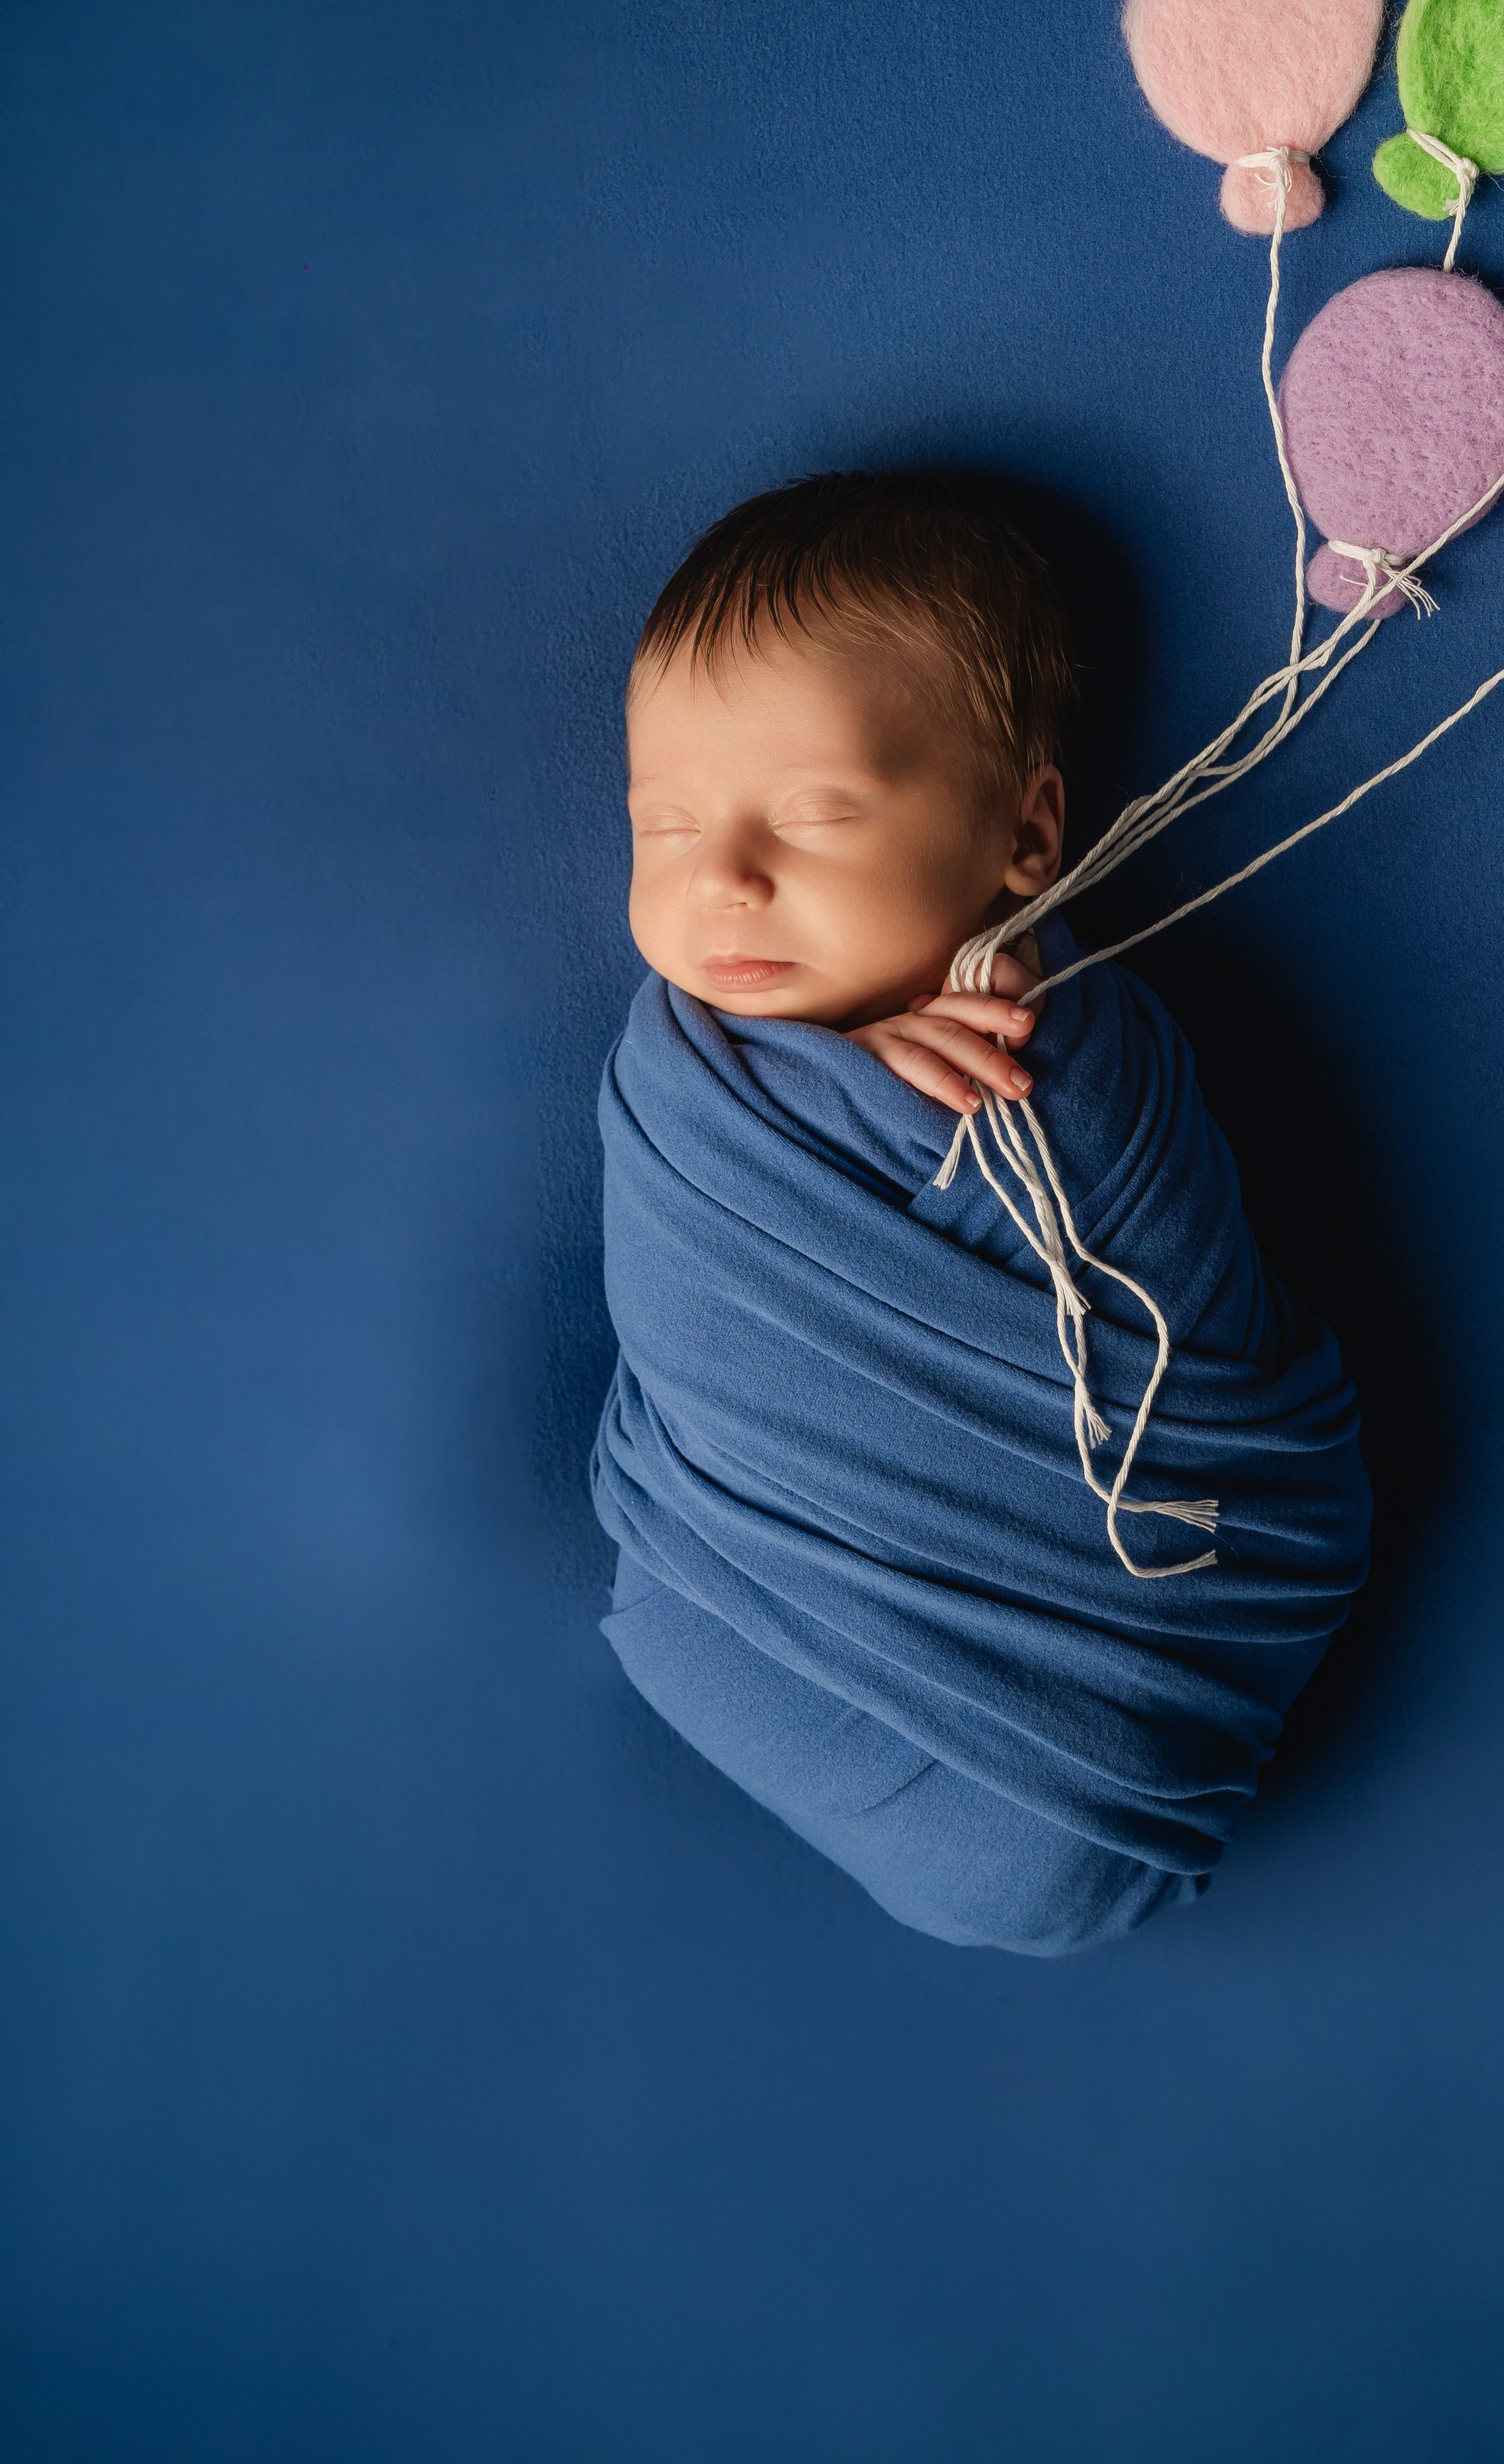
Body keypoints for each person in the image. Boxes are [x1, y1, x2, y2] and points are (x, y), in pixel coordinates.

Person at [592, 468, 1370, 1953]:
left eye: (815, 815)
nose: (725, 880)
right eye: (664, 827)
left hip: (1099, 1690)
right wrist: (845, 1083)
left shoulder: (1058, 1056)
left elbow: (1139, 1277)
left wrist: (885, 1095)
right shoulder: (691, 1082)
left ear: (1026, 836)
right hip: (736, 1590)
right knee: (671, 1632)